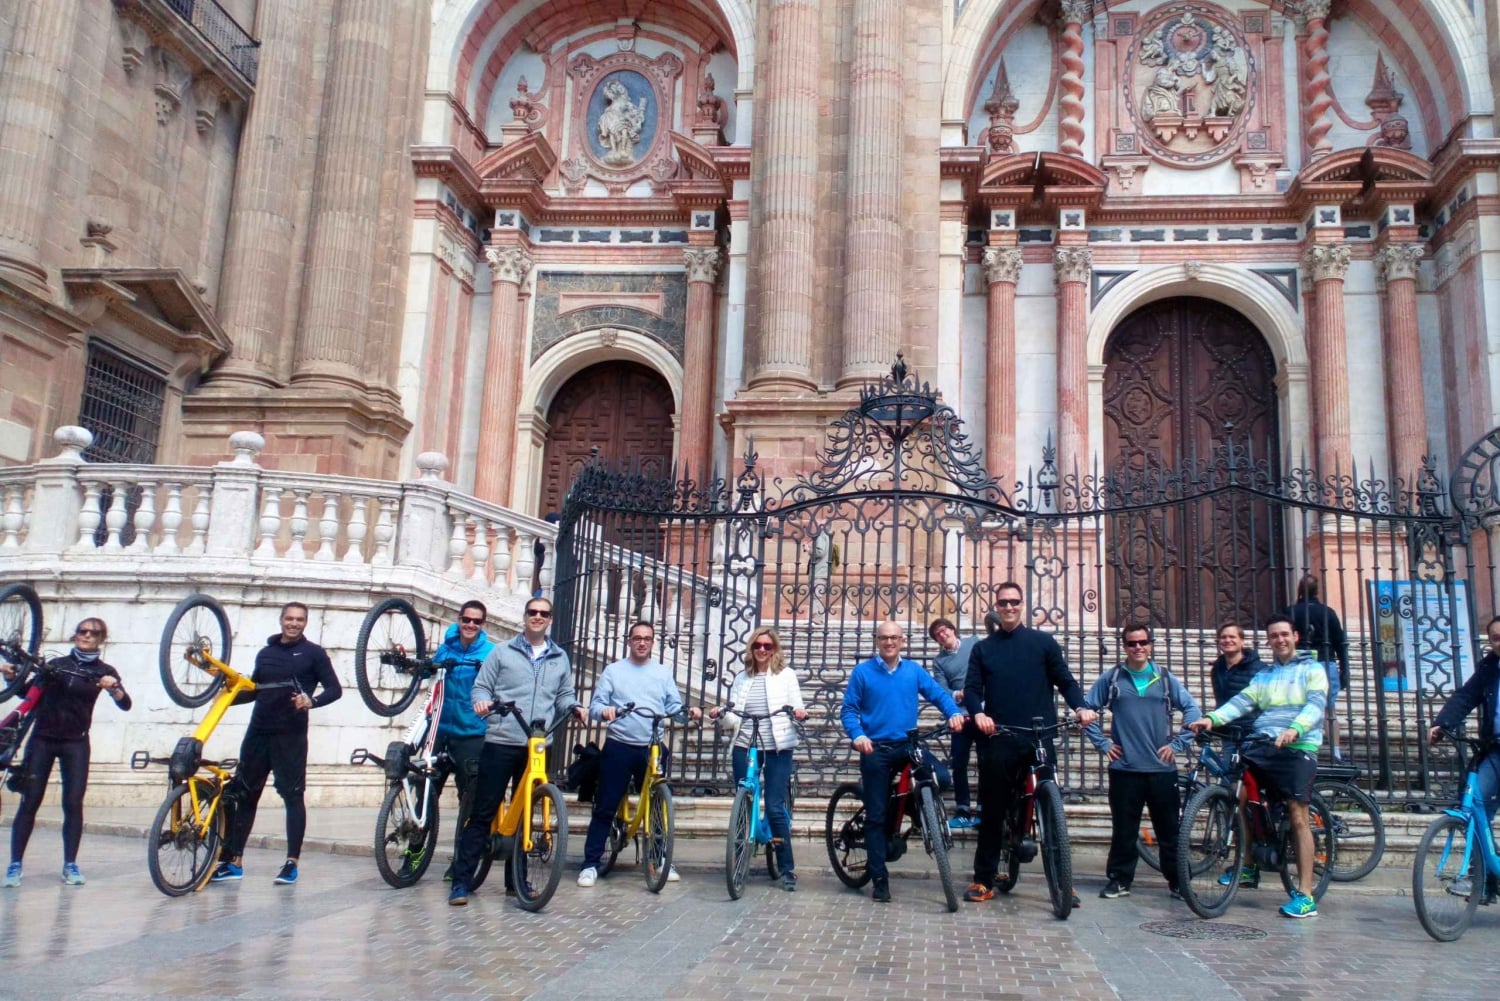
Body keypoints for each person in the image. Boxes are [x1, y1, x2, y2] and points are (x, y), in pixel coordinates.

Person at [962, 583, 1097, 904]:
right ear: (997, 606)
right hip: (1000, 736)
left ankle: (1063, 882)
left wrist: (1080, 706)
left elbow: (1065, 680)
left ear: (1022, 605)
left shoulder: (1043, 643)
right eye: (1003, 602)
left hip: (1038, 737)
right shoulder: (983, 648)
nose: (1009, 607)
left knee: (1051, 812)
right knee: (993, 809)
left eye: (1014, 602)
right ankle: (984, 878)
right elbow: (971, 689)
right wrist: (978, 714)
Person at [1188, 614, 1326, 919]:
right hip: (1264, 742)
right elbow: (1242, 701)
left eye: (1284, 635)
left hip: (1298, 746)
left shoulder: (1312, 669)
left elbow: (1316, 705)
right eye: (1274, 636)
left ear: (1295, 637)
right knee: (1240, 797)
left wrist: (1296, 729)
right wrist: (1211, 718)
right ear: (1268, 641)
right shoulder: (1264, 676)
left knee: (1297, 813)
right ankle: (1247, 865)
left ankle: (1305, 895)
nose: (1280, 640)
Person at [449, 595, 582, 905]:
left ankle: (516, 882)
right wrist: (482, 703)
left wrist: (574, 707)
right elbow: (481, 687)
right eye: (533, 612)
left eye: (544, 613)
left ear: (550, 620)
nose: (538, 617)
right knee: (483, 812)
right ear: (525, 617)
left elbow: (564, 694)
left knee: (525, 815)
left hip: (537, 743)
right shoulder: (502, 652)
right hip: (501, 738)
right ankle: (461, 881)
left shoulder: (559, 657)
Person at [212, 602, 341, 886]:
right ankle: (234, 862)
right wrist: (224, 693)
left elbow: (335, 689)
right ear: (281, 620)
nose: (293, 623)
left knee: (292, 796)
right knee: (245, 795)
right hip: (258, 733)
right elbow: (255, 690)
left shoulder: (314, 654)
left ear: (305, 623)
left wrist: (311, 700)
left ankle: (291, 863)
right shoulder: (266, 653)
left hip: (290, 735)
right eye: (289, 618)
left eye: (299, 619)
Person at [839, 621, 965, 903]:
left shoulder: (913, 671)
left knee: (941, 778)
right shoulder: (863, 673)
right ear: (877, 641)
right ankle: (880, 879)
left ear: (903, 641)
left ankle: (916, 814)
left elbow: (938, 694)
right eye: (884, 638)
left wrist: (953, 713)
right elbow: (848, 709)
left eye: (894, 637)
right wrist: (858, 735)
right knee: (875, 816)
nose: (889, 642)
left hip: (908, 744)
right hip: (876, 748)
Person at [3, 617, 129, 887]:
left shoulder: (104, 671)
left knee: (73, 803)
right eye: (82, 631)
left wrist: (114, 688)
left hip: (76, 742)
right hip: (43, 740)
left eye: (93, 633)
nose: (86, 636)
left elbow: (125, 704)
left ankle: (70, 864)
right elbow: (29, 692)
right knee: (30, 801)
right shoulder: (56, 666)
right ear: (74, 636)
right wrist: (10, 676)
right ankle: (15, 865)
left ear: (101, 639)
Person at [578, 620, 701, 887]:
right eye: (637, 638)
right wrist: (606, 711)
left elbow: (673, 706)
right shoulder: (614, 671)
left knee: (658, 805)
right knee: (606, 805)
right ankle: (590, 863)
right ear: (629, 641)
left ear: (652, 642)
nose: (642, 642)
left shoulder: (662, 673)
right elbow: (596, 705)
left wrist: (688, 712)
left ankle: (660, 857)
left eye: (647, 638)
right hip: (620, 743)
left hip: (652, 744)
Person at [1083, 623, 1200, 900]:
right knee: (1124, 830)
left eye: (1143, 642)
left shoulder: (1165, 678)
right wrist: (1103, 743)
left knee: (1169, 830)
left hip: (1161, 769)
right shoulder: (1112, 679)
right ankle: (1120, 880)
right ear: (1124, 646)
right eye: (1132, 643)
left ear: (1151, 645)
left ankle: (1178, 881)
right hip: (1124, 769)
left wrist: (1178, 744)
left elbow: (1192, 710)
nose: (1138, 647)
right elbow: (1086, 711)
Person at [711, 626, 808, 890]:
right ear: (751, 649)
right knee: (744, 801)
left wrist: (798, 712)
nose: (762, 650)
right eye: (758, 646)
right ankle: (740, 861)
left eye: (767, 646)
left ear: (774, 649)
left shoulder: (786, 676)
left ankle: (787, 868)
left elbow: (796, 704)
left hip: (777, 746)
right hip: (745, 744)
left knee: (775, 805)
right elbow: (733, 717)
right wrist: (721, 714)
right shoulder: (742, 678)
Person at [1427, 614, 1500, 904]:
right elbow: (1466, 696)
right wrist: (1442, 724)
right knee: (1475, 801)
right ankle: (1482, 878)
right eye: (1495, 638)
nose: (1499, 642)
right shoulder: (1489, 666)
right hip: (1495, 750)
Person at [429, 600, 494, 883]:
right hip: (440, 729)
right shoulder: (446, 647)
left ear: (483, 625)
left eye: (476, 621)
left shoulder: (491, 653)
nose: (470, 625)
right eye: (466, 619)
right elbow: (429, 672)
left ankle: (461, 862)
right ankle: (415, 854)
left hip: (472, 733)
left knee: (468, 802)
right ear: (459, 619)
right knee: (425, 794)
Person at [1286, 575, 1350, 760]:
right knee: (1329, 710)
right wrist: (1344, 669)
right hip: (1325, 662)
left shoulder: (1291, 612)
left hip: (1298, 662)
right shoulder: (1328, 612)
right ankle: (1335, 752)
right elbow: (1340, 641)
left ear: (1299, 589)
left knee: (1298, 706)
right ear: (1317, 591)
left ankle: (1300, 748)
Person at [928, 617, 980, 828]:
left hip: (984, 710)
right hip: (960, 714)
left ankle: (985, 807)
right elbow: (941, 690)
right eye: (937, 634)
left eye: (944, 630)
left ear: (952, 629)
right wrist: (958, 694)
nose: (942, 635)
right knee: (959, 762)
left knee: (988, 761)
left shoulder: (974, 643)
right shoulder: (939, 662)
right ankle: (963, 808)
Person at [1210, 621, 1263, 706]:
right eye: (1223, 637)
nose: (1227, 640)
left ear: (1242, 641)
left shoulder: (1259, 669)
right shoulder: (1216, 669)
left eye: (1232, 637)